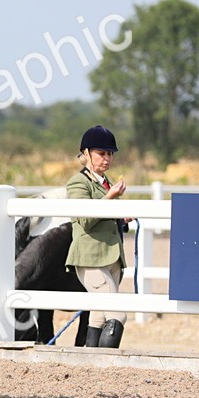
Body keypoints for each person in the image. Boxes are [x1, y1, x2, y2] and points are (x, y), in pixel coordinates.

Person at [65, 125, 127, 348]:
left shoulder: (106, 183)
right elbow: (85, 219)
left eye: (110, 154)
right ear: (86, 153)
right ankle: (105, 365)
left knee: (99, 316)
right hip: (90, 258)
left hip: (112, 257)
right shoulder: (78, 182)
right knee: (117, 315)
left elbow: (105, 218)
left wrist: (121, 218)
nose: (107, 158)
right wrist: (110, 198)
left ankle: (90, 361)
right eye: (102, 153)